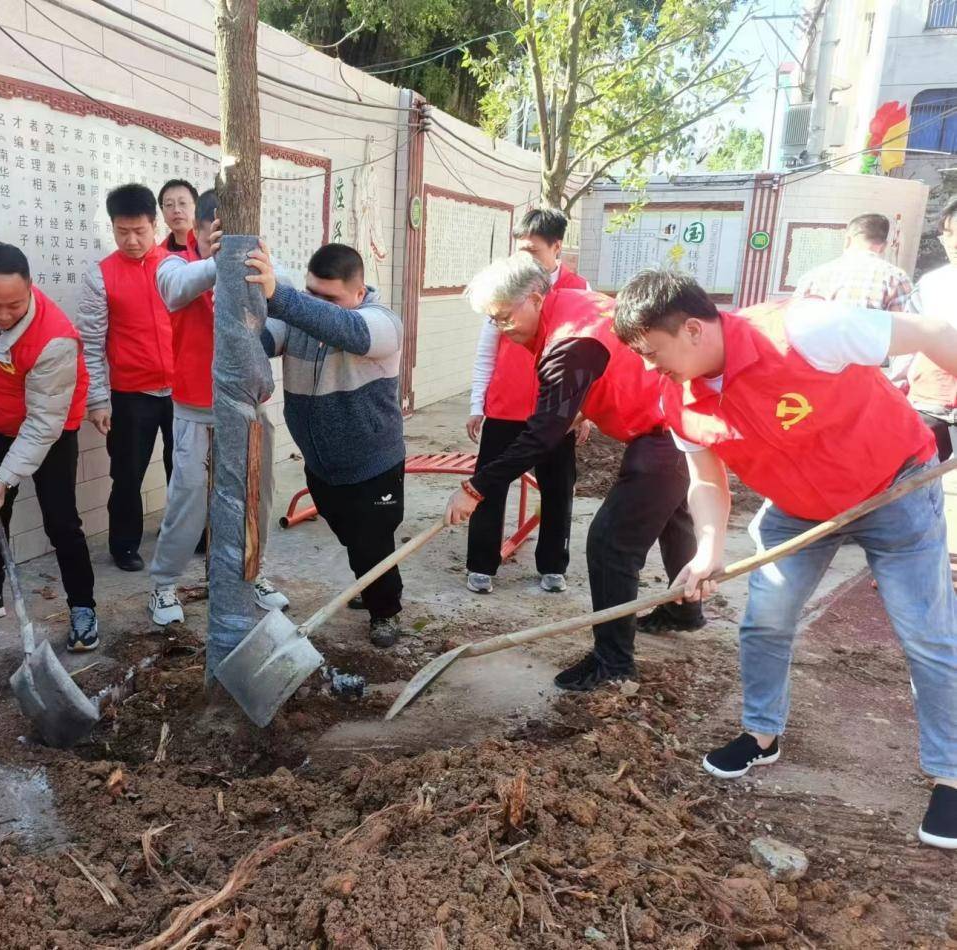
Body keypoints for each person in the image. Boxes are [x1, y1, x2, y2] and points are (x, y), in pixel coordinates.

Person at [612, 268, 957, 850]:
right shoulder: (679, 398)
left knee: (925, 633)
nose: (649, 367)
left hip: (893, 486)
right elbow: (706, 480)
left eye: (652, 352)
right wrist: (709, 550)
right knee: (765, 620)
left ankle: (950, 772)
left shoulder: (805, 330)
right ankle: (761, 735)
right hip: (799, 510)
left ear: (693, 329)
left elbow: (927, 331)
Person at [443, 254, 702, 691]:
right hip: (671, 413)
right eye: (493, 322)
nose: (502, 329)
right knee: (674, 518)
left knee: (610, 542)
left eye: (506, 318)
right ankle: (684, 609)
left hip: (666, 427)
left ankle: (613, 663)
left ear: (534, 298)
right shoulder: (573, 301)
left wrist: (476, 487)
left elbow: (541, 435)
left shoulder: (567, 342)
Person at [244, 243, 406, 648]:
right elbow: (263, 339)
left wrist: (281, 297)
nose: (316, 303)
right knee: (351, 537)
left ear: (358, 291)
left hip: (374, 463)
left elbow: (342, 329)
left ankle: (385, 611)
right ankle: (370, 584)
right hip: (320, 463)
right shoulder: (300, 317)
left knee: (373, 541)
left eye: (329, 297)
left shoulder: (381, 323)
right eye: (310, 292)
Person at [0, 242, 99, 652]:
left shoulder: (55, 339)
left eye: (15, 304)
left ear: (30, 287)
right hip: (0, 417)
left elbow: (43, 424)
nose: (4, 315)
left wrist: (5, 479)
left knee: (61, 521)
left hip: (52, 426)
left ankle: (83, 607)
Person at [144, 190, 289, 625]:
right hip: (195, 406)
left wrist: (265, 279)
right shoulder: (176, 263)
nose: (225, 243)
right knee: (188, 498)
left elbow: (282, 316)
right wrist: (221, 261)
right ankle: (164, 584)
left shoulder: (257, 266)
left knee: (256, 498)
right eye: (217, 235)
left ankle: (252, 572)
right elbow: (173, 291)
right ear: (202, 230)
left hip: (248, 405)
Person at [465, 208, 589, 596]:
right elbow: (487, 349)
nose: (526, 257)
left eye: (533, 250)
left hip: (556, 412)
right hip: (505, 406)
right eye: (520, 249)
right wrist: (477, 403)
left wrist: (585, 411)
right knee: (491, 484)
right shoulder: (505, 284)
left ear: (557, 248)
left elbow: (590, 356)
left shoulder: (576, 289)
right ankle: (481, 564)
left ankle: (553, 565)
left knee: (556, 489)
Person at [76, 183, 174, 572]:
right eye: (122, 231)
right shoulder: (100, 276)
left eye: (140, 231)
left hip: (182, 392)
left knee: (183, 469)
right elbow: (91, 344)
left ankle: (191, 533)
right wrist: (98, 400)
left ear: (155, 225)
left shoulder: (175, 267)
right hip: (131, 393)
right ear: (113, 227)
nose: (132, 240)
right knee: (128, 474)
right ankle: (124, 544)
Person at [792, 212, 914, 385]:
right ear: (884, 245)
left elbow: (790, 325)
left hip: (813, 375)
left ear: (847, 239)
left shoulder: (815, 275)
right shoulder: (895, 278)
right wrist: (893, 384)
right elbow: (906, 336)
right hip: (862, 380)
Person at [906, 196, 957, 459]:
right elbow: (908, 345)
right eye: (948, 233)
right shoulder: (931, 283)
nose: (953, 243)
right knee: (918, 481)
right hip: (929, 402)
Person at [158, 179, 198, 256]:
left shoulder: (209, 247)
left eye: (182, 203)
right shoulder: (159, 256)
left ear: (197, 207)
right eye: (169, 204)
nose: (176, 210)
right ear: (162, 212)